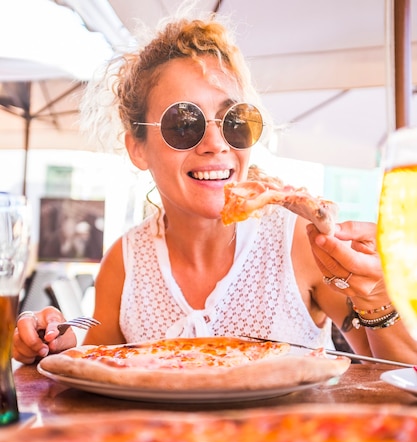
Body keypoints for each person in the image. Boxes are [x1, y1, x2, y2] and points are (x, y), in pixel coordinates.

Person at [13, 13, 417, 365]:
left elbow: (390, 373)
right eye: (184, 123)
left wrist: (376, 298)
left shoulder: (297, 242)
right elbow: (95, 375)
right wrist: (57, 348)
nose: (216, 144)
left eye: (234, 121)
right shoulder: (125, 263)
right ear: (137, 147)